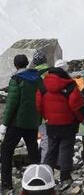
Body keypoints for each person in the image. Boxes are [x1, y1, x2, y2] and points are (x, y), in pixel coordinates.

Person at [35, 61, 83, 185]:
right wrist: (80, 119)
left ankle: (45, 175)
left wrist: (46, 116)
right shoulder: (70, 85)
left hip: (51, 124)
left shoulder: (43, 86)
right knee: (66, 149)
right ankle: (65, 177)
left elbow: (38, 104)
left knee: (51, 149)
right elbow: (76, 105)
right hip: (68, 124)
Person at [1, 55, 42, 192]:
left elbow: (12, 103)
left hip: (17, 123)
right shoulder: (37, 78)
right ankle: (38, 181)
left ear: (16, 65)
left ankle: (6, 184)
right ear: (27, 64)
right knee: (33, 152)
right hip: (33, 123)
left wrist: (4, 123)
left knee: (6, 151)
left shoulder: (16, 79)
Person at [30, 51, 50, 161]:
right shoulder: (52, 72)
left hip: (42, 114)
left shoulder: (33, 76)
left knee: (45, 140)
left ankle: (44, 165)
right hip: (57, 112)